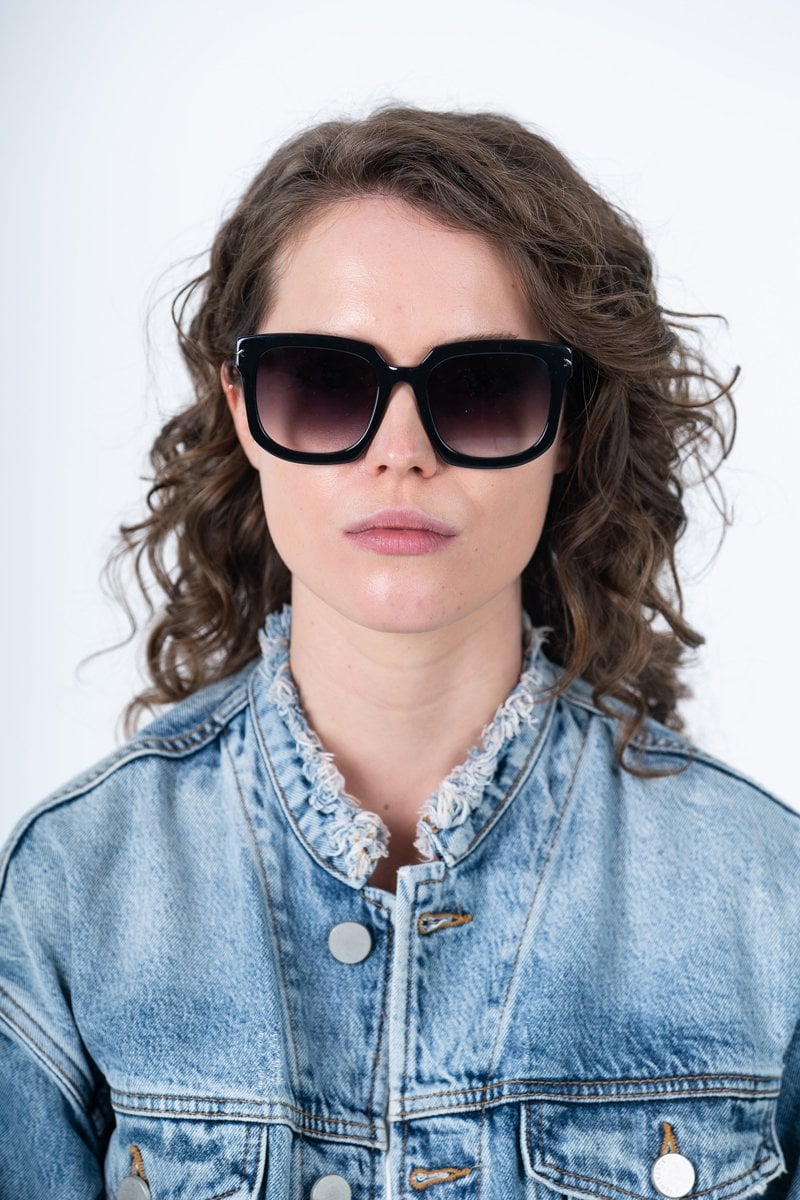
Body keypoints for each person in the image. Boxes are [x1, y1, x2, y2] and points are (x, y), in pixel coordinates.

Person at [1, 103, 797, 1200]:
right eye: (326, 381)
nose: (401, 452)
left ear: (566, 425)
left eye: (483, 386)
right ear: (242, 408)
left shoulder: (766, 896)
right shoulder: (68, 890)